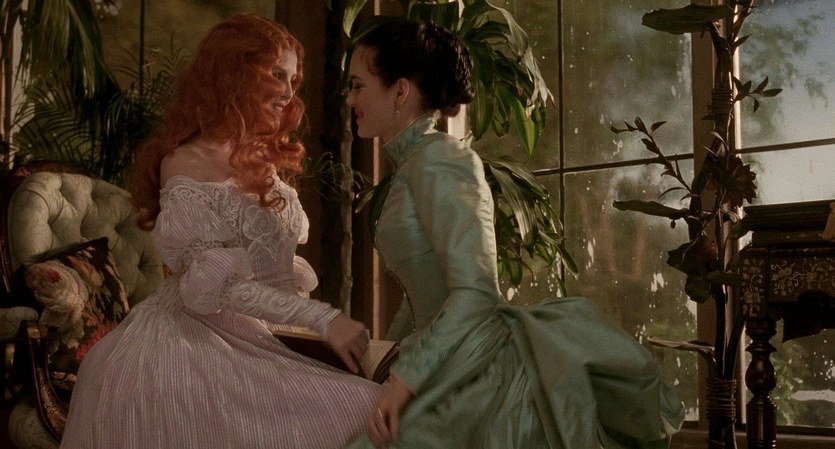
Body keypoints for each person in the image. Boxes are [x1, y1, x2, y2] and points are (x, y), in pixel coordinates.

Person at [343, 18, 685, 449]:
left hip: (479, 372)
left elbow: (475, 292)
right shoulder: (413, 166)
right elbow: (424, 294)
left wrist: (405, 379)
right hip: (445, 359)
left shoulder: (441, 160)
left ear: (400, 91)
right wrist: (390, 358)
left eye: (358, 86)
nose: (350, 99)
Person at [60, 13, 379, 449]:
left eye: (293, 80)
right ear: (235, 72)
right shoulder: (185, 162)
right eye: (277, 75)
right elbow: (215, 288)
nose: (289, 93)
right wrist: (322, 319)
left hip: (265, 331)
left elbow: (266, 256)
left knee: (377, 407)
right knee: (362, 409)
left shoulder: (260, 155)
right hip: (195, 338)